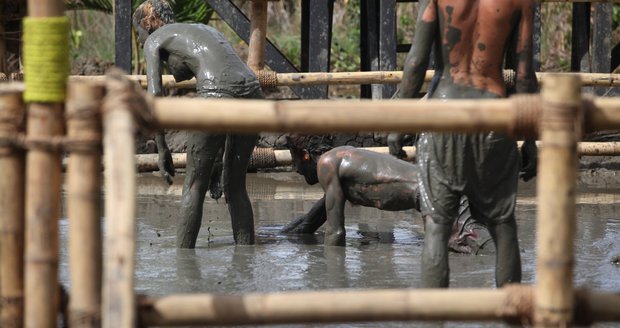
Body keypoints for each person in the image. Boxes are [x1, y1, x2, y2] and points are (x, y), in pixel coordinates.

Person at [398, 0, 539, 288]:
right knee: (503, 227)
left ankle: (432, 323)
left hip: (442, 118)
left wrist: (397, 122)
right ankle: (510, 318)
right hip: (494, 118)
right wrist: (530, 140)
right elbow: (524, 75)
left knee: (437, 227)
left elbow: (415, 62)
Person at [133, 0, 264, 247]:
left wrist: (162, 149)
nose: (140, 41)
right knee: (236, 188)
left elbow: (154, 97)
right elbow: (233, 86)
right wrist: (215, 160)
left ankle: (183, 272)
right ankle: (245, 267)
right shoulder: (203, 30)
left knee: (193, 187)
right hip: (254, 94)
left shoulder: (155, 39)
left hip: (217, 94)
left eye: (138, 33)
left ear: (148, 23)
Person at [282, 135, 494, 255]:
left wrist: (332, 276)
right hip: (440, 188)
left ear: (305, 155)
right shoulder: (340, 157)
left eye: (295, 162)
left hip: (434, 196)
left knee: (482, 253)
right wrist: (280, 235)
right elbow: (315, 219)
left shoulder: (327, 165)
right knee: (487, 250)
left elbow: (336, 234)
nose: (295, 169)